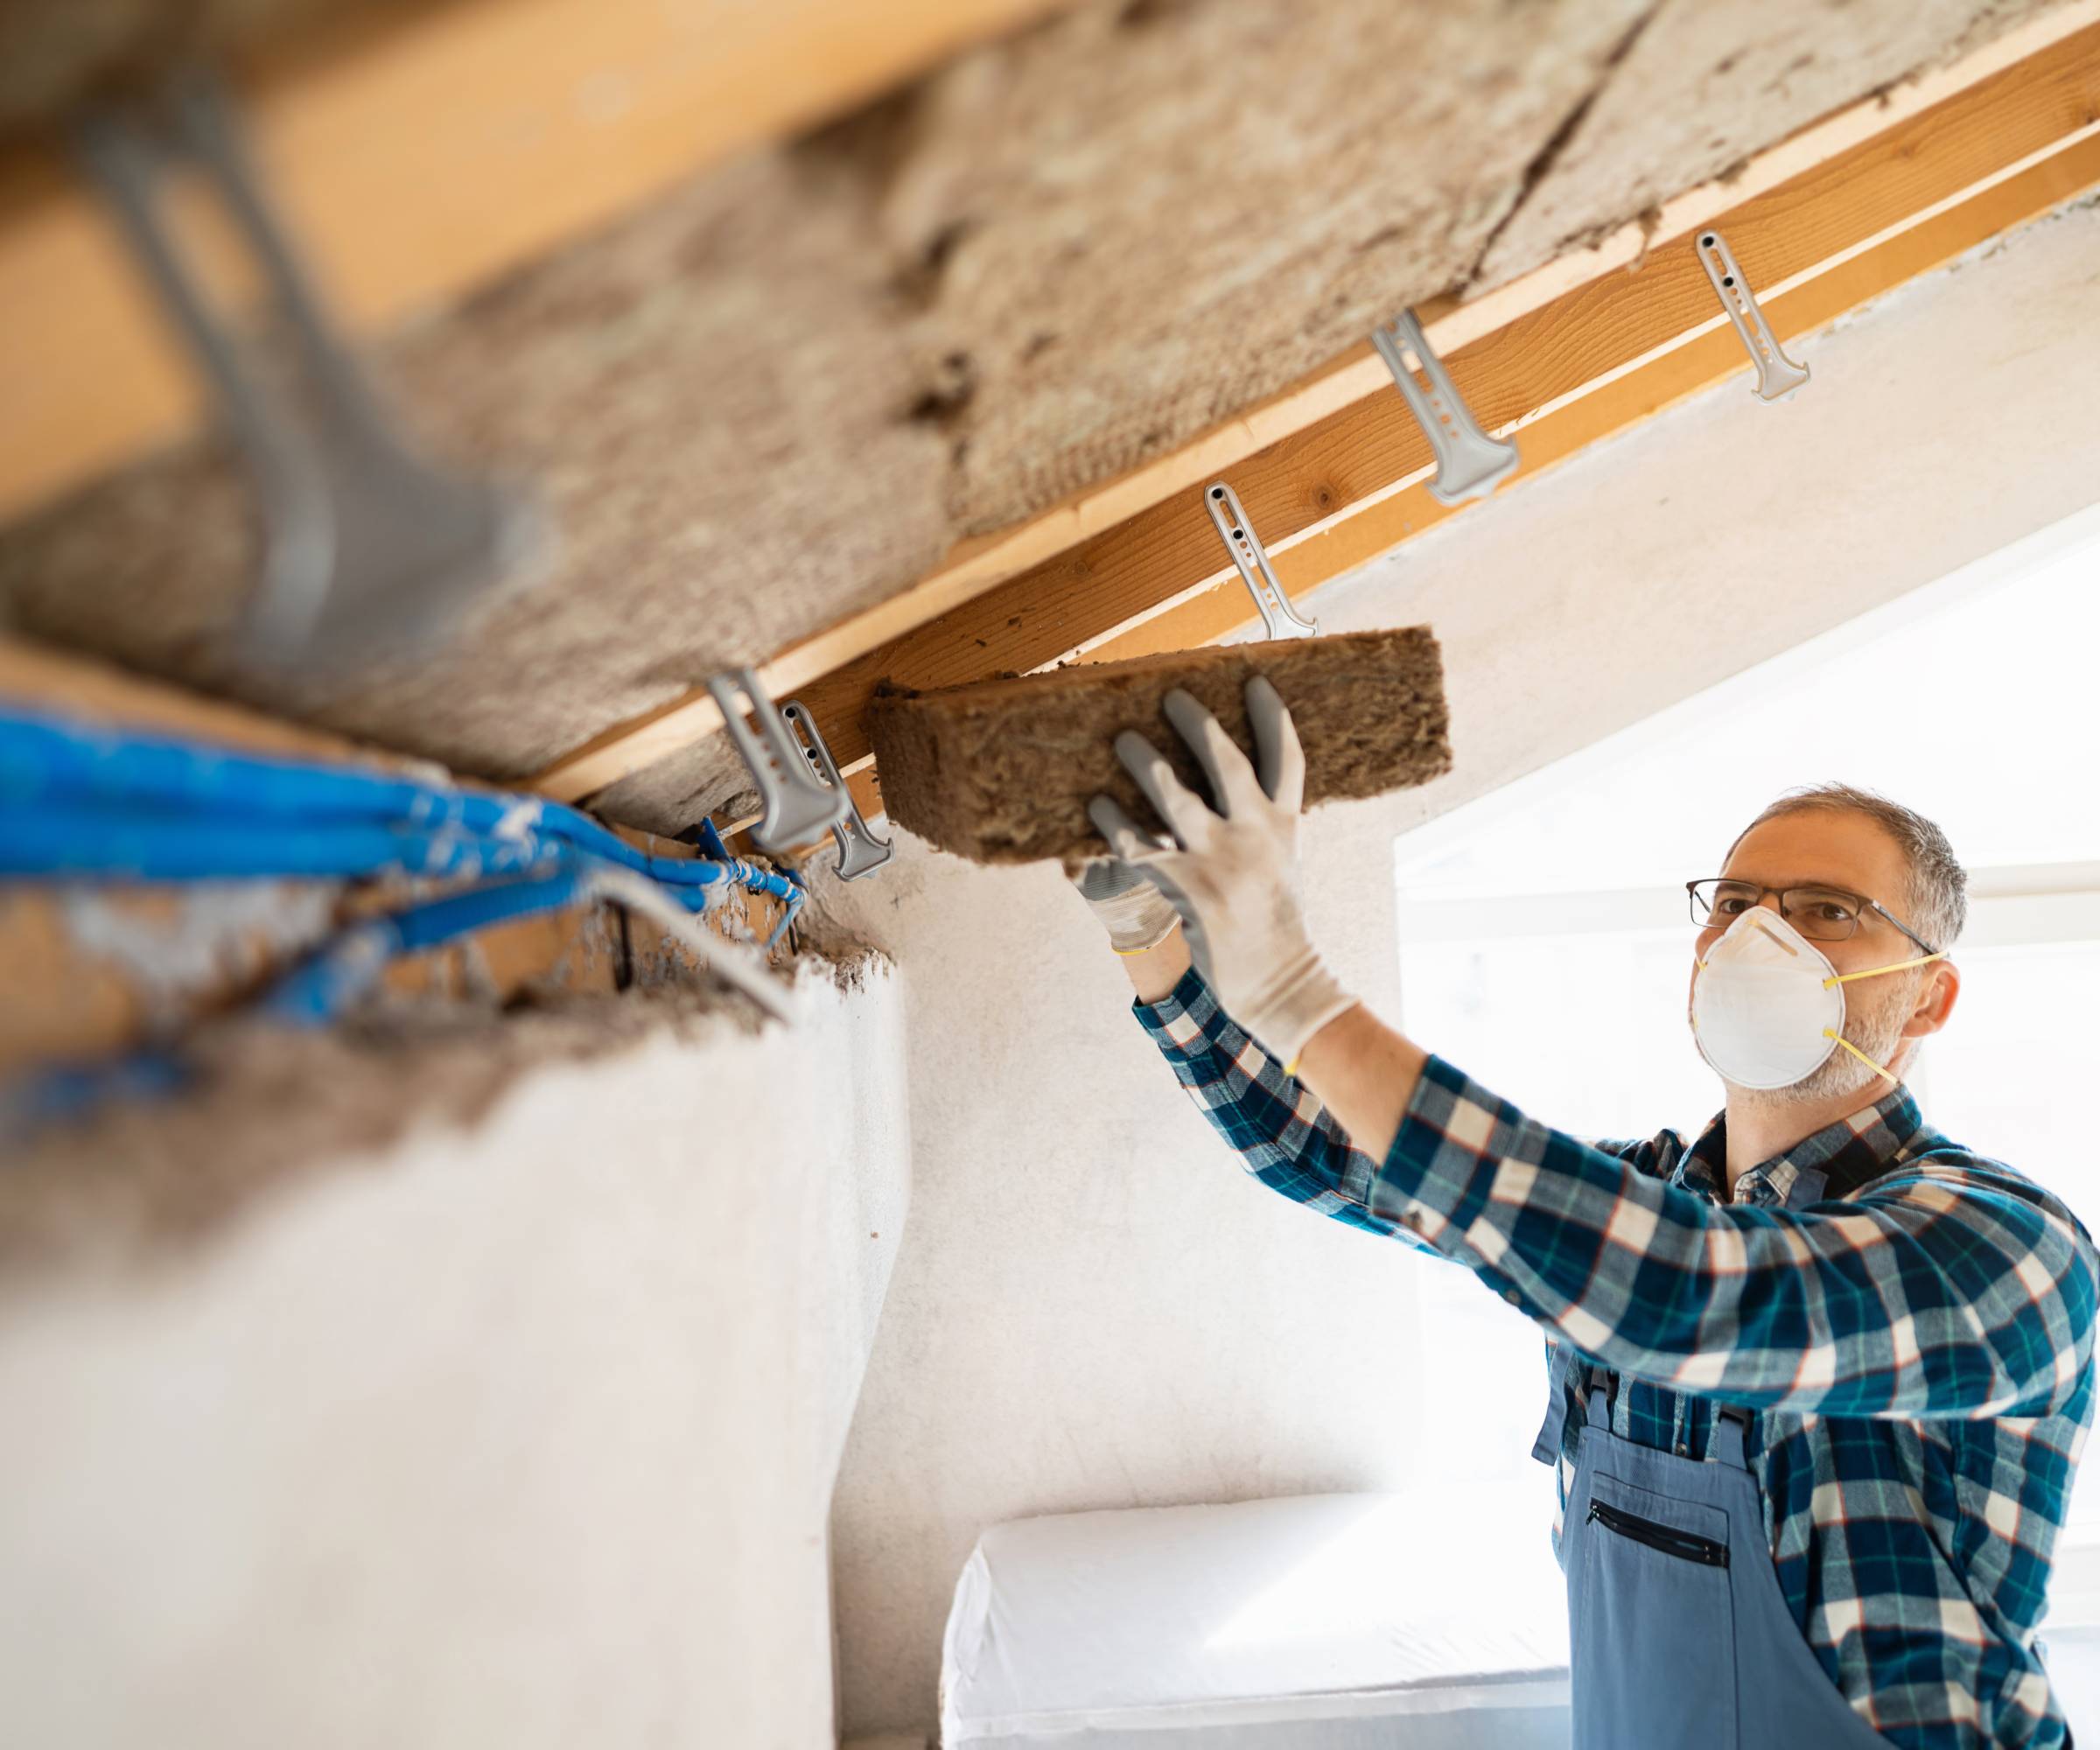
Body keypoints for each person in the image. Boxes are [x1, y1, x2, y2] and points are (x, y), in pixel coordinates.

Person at [1074, 677, 2096, 1750]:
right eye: (1737, 903)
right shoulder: (1638, 1199)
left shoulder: (2009, 1249)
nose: (1762, 937)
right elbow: (1327, 1150)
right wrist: (1150, 934)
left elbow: (1687, 1295)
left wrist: (1295, 984)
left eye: (1826, 910)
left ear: (1928, 994)